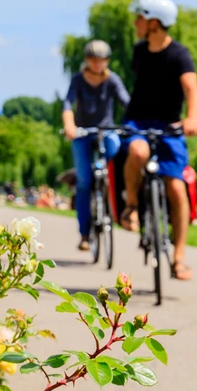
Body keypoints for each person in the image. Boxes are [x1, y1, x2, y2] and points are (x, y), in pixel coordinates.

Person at [119, 0, 197, 281]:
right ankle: (131, 206)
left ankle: (179, 258)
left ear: (154, 22)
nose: (135, 23)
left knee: (177, 188)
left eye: (140, 18)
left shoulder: (179, 54)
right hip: (138, 121)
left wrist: (192, 118)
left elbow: (192, 89)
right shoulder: (139, 51)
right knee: (138, 153)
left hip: (170, 126)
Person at [62, 40, 131, 251]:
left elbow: (126, 101)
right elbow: (68, 103)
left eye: (101, 60)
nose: (97, 63)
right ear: (87, 60)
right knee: (84, 183)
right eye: (93, 59)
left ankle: (109, 183)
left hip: (106, 130)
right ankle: (85, 234)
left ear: (107, 61)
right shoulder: (78, 79)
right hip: (82, 133)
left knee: (116, 147)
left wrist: (134, 122)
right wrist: (70, 126)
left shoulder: (112, 79)